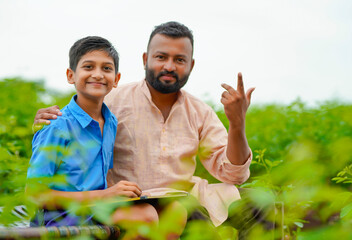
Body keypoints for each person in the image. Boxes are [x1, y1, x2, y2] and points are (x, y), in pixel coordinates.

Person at [33, 22, 258, 235]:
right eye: (161, 57)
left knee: (259, 205)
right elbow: (77, 111)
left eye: (179, 59)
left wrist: (237, 124)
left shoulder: (199, 111)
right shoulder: (112, 102)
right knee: (188, 214)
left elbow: (233, 174)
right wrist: (46, 118)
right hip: (130, 201)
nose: (169, 66)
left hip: (183, 195)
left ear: (191, 65)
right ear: (145, 59)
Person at [27, 36, 158, 228]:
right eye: (88, 67)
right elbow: (34, 195)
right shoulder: (56, 125)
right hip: (59, 219)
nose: (98, 74)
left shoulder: (111, 122)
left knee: (170, 213)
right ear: (70, 75)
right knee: (145, 216)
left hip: (96, 210)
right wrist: (105, 194)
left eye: (106, 68)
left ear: (116, 79)